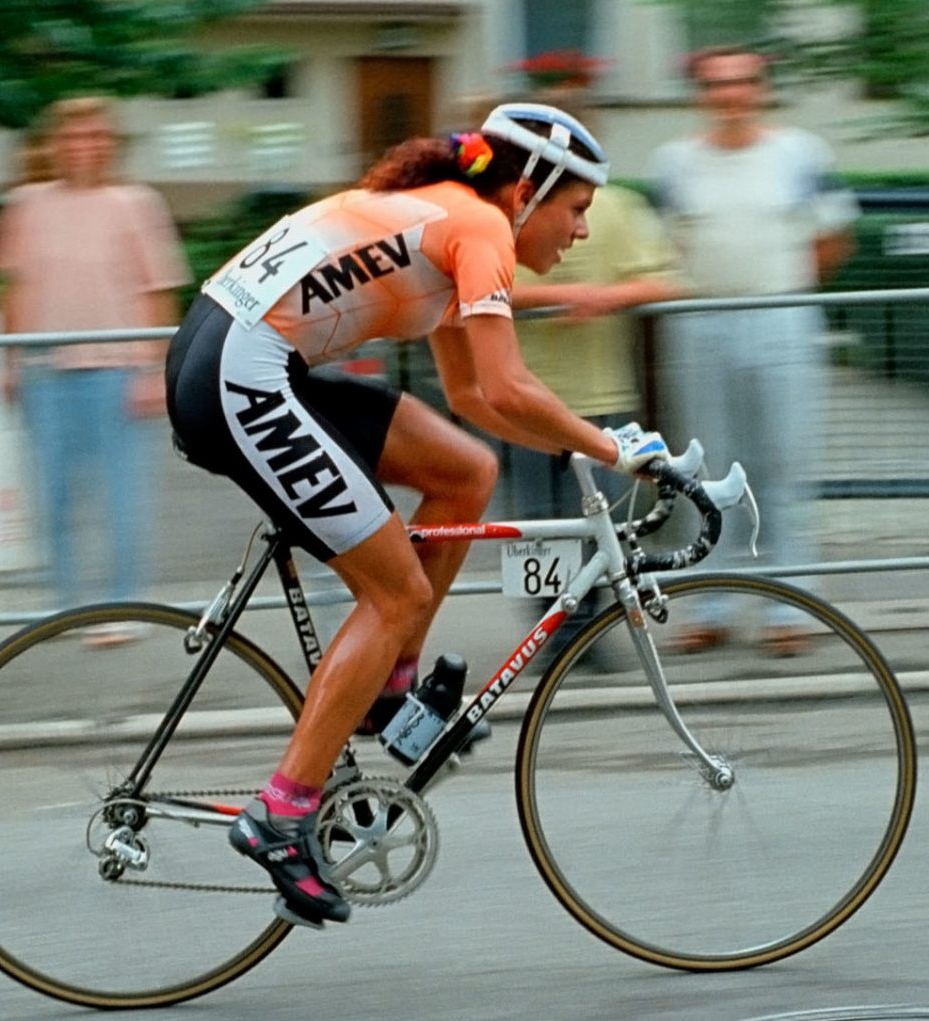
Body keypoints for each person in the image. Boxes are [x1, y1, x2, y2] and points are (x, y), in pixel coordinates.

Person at [166, 102, 672, 927]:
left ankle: (386, 688)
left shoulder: (445, 218)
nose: (581, 232)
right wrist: (617, 450)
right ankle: (283, 812)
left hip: (241, 356)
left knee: (465, 470)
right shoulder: (480, 228)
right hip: (240, 375)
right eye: (577, 209)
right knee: (392, 591)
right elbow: (508, 388)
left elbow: (476, 398)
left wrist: (586, 441)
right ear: (530, 189)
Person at [649, 46, 858, 655]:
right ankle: (711, 603)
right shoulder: (676, 162)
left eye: (742, 83)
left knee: (783, 462)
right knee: (706, 465)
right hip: (701, 321)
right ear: (701, 94)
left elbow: (832, 237)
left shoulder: (801, 153)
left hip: (782, 317)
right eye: (717, 85)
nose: (730, 95)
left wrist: (780, 291)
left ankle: (787, 607)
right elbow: (670, 244)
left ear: (761, 89)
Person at [0, 96, 191, 626]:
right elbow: (12, 289)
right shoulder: (26, 204)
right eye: (73, 137)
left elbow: (158, 292)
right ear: (54, 145)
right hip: (45, 373)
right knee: (52, 500)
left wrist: (151, 371)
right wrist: (7, 360)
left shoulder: (137, 203)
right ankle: (63, 610)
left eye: (96, 136)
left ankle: (122, 609)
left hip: (116, 372)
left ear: (112, 145)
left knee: (123, 500)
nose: (84, 147)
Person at [509, 181, 684, 632]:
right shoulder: (507, 210)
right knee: (534, 523)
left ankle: (585, 628)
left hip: (596, 394)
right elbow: (483, 288)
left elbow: (663, 282)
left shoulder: (620, 206)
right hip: (522, 397)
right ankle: (546, 628)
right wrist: (561, 297)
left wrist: (606, 297)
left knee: (591, 515)